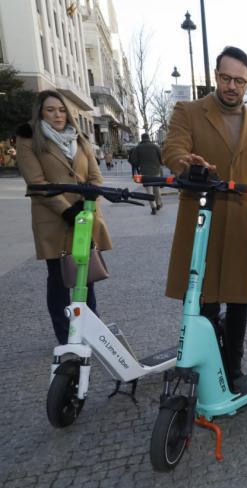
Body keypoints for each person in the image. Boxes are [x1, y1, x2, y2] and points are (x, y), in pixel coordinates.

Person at [162, 46, 247, 388]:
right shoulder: (188, 111)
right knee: (204, 299)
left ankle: (233, 368)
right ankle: (206, 366)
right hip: (202, 221)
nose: (232, 86)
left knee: (240, 301)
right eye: (226, 78)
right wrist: (186, 162)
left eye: (239, 81)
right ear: (215, 76)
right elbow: (173, 149)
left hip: (243, 227)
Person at [16, 90, 112, 345]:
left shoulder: (78, 137)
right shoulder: (29, 140)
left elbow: (95, 177)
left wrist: (87, 203)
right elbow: (37, 183)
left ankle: (91, 330)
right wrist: (67, 209)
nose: (57, 115)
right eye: (50, 110)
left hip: (85, 215)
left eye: (61, 110)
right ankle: (65, 335)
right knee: (58, 280)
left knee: (86, 276)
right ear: (40, 112)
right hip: (54, 219)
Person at [129, 133, 164, 214]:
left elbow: (133, 160)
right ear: (149, 138)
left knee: (149, 191)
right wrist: (160, 163)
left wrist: (138, 165)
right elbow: (162, 159)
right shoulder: (155, 146)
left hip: (144, 173)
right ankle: (158, 204)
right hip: (156, 171)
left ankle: (153, 207)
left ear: (141, 138)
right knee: (157, 189)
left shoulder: (138, 148)